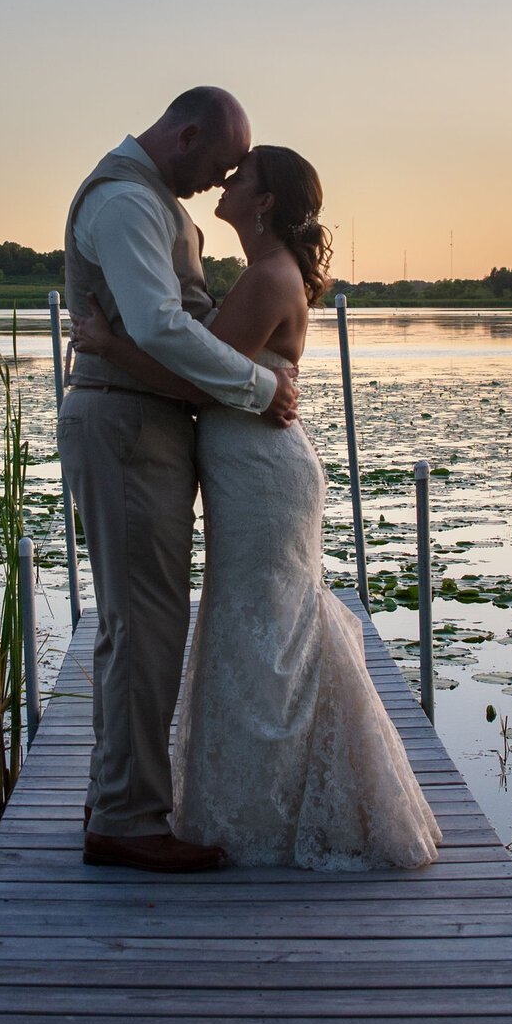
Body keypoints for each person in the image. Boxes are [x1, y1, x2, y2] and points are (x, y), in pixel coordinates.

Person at [70, 143, 441, 872]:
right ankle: (248, 795)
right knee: (258, 629)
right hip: (249, 470)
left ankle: (275, 804)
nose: (225, 179)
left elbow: (195, 380)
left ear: (264, 201)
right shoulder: (257, 273)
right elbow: (206, 366)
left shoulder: (270, 278)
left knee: (267, 631)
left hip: (264, 477)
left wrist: (110, 346)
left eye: (241, 176)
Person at [59, 87, 300, 874]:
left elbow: (174, 329)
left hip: (141, 423)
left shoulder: (151, 197)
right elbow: (161, 326)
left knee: (139, 618)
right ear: (186, 134)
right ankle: (128, 815)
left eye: (235, 172)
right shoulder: (128, 201)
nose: (216, 180)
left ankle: (114, 792)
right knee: (145, 623)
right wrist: (260, 389)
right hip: (126, 423)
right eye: (218, 164)